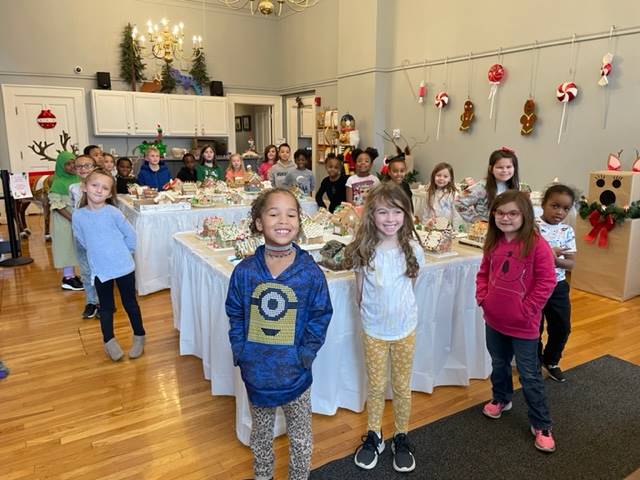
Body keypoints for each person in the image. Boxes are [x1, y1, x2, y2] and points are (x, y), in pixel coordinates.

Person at [226, 188, 333, 480]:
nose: (282, 220)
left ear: (299, 221)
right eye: (273, 213)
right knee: (261, 436)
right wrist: (241, 350)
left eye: (291, 213)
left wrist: (306, 353)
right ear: (259, 222)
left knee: (300, 437)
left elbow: (321, 314)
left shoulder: (310, 273)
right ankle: (263, 476)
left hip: (296, 373)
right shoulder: (245, 272)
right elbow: (235, 312)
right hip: (257, 372)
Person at [346, 182, 425, 473]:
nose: (390, 218)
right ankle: (374, 434)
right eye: (382, 212)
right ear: (371, 215)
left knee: (402, 386)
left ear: (406, 214)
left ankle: (401, 435)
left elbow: (411, 286)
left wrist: (398, 313)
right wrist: (372, 315)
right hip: (374, 330)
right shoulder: (364, 249)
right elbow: (359, 292)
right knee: (377, 385)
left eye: (396, 211)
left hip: (405, 328)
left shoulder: (413, 249)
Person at [476, 190, 557, 453]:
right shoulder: (494, 241)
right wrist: (483, 297)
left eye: (512, 213)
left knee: (530, 374)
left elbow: (547, 281)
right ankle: (502, 398)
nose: (505, 218)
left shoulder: (537, 245)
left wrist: (528, 309)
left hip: (524, 325)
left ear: (525, 215)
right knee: (499, 364)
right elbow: (484, 272)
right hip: (494, 319)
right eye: (500, 213)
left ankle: (542, 423)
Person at [72, 169, 146, 362]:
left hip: (123, 266)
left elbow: (131, 236)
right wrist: (101, 254)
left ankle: (139, 336)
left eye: (105, 188)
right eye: (95, 185)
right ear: (85, 187)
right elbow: (82, 239)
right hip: (100, 269)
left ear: (109, 193)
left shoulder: (113, 212)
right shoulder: (78, 216)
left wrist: (121, 254)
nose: (99, 190)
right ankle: (109, 341)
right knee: (106, 307)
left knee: (130, 304)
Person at [536, 184, 577, 383]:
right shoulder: (532, 227)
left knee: (562, 327)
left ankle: (551, 360)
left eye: (565, 208)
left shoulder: (567, 231)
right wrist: (549, 254)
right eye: (554, 206)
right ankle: (534, 362)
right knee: (534, 328)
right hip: (533, 286)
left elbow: (571, 263)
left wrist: (551, 258)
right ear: (543, 204)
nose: (560, 212)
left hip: (558, 285)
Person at [69, 155, 100, 318]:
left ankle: (104, 302)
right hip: (80, 235)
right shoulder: (73, 188)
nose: (83, 169)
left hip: (98, 235)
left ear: (94, 167)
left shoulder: (99, 186)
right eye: (79, 166)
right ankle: (91, 301)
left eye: (87, 165)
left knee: (100, 268)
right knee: (86, 270)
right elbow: (73, 210)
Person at [455, 147, 521, 223]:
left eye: (508, 167)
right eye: (500, 167)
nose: (505, 170)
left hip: (507, 229)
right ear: (491, 169)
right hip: (487, 231)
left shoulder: (514, 186)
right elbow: (459, 202)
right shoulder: (482, 187)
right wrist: (475, 219)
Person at [49, 151, 83, 291]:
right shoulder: (58, 182)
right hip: (64, 220)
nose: (71, 166)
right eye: (67, 164)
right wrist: (72, 218)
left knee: (75, 246)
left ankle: (73, 275)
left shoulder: (78, 179)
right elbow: (56, 205)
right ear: (60, 166)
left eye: (73, 163)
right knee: (66, 246)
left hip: (75, 218)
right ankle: (67, 278)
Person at [423, 162, 464, 230]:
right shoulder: (430, 193)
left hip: (447, 230)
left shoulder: (453, 194)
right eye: (438, 175)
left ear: (450, 178)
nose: (441, 178)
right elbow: (426, 213)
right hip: (432, 229)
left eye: (445, 176)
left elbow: (456, 216)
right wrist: (425, 227)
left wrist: (455, 230)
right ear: (434, 176)